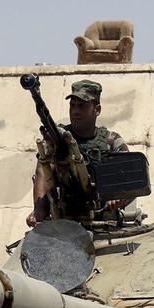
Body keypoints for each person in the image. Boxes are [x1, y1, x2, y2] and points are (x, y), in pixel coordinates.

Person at [27, 79, 130, 226]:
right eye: (72, 106)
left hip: (105, 223)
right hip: (65, 223)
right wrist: (39, 210)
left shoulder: (111, 141)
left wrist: (118, 196)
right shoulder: (58, 139)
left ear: (97, 110)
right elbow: (43, 171)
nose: (75, 111)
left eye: (82, 106)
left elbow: (130, 178)